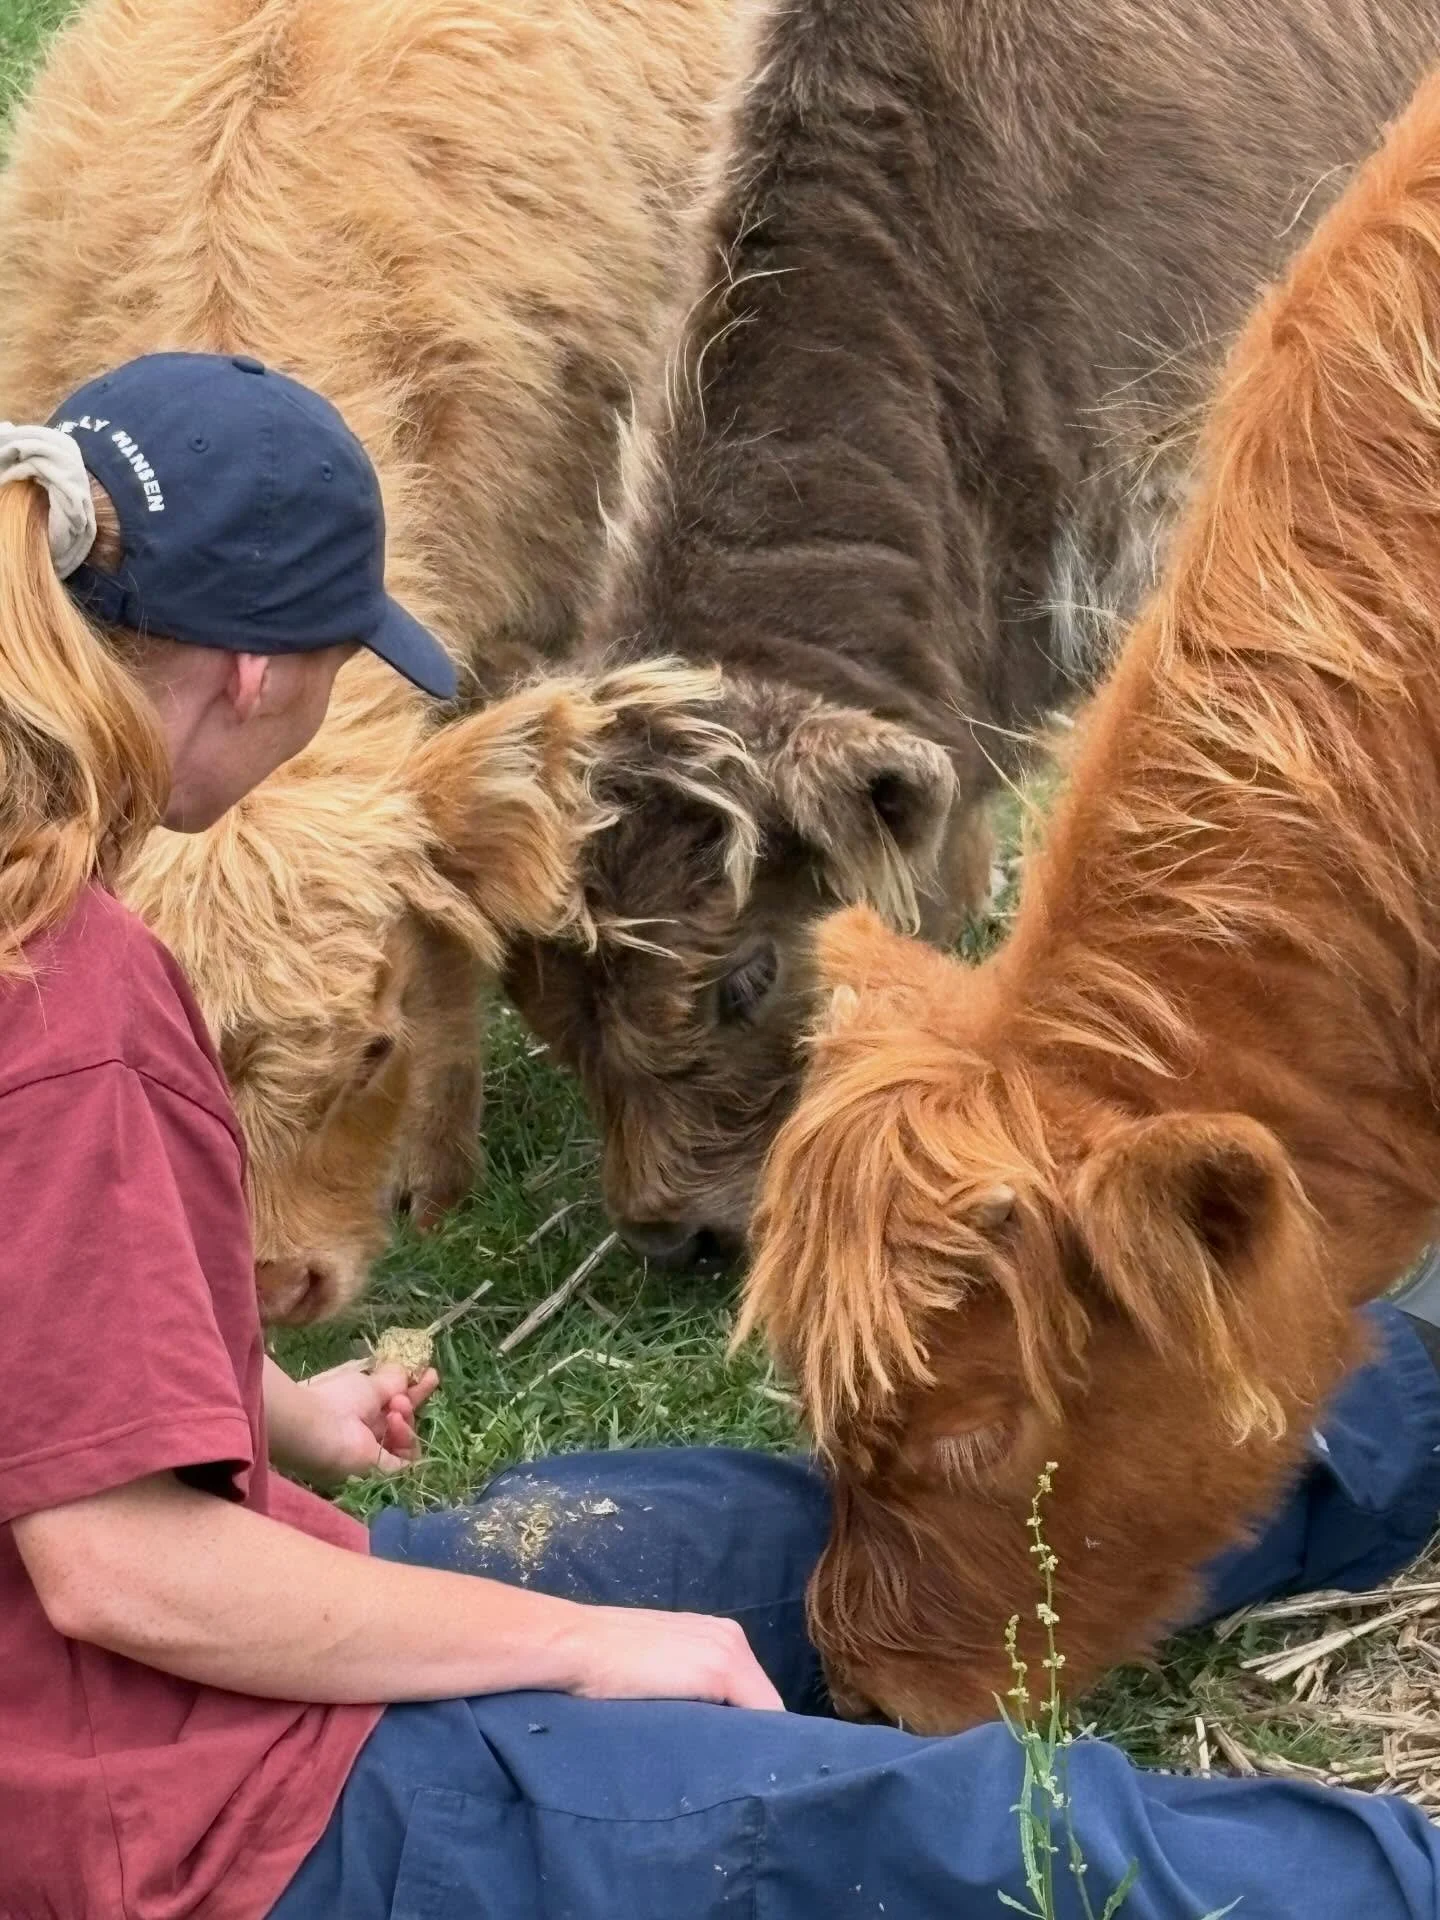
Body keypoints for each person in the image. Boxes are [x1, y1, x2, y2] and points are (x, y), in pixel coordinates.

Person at [2, 352, 1439, 1920]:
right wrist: (592, 1647)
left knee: (801, 1530)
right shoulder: (68, 1007)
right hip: (199, 1824)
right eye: (347, 669)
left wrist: (256, 1401)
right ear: (258, 675)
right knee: (964, 1842)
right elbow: (119, 1569)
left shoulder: (51, 912)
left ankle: (1394, 1409)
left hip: (217, 1617)